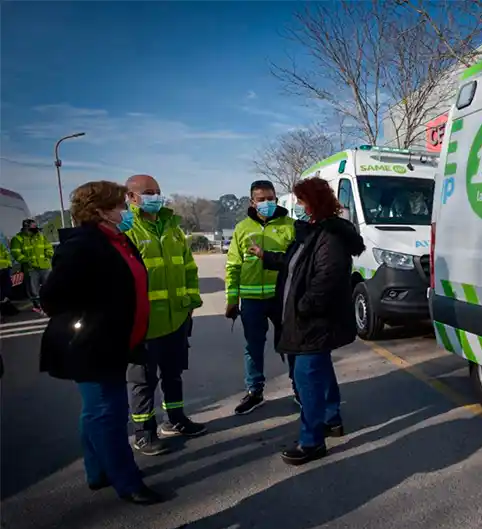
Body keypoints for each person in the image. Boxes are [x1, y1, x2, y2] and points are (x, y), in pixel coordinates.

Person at [39, 180, 162, 505]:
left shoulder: (117, 240)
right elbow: (51, 298)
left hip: (115, 342)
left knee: (96, 411)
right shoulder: (84, 245)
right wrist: (96, 312)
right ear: (101, 212)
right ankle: (127, 481)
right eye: (120, 206)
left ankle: (97, 471)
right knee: (108, 412)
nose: (126, 211)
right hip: (92, 345)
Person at [250, 176, 365, 465]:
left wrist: (303, 307)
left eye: (301, 201)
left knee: (306, 378)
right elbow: (295, 264)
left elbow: (326, 278)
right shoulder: (312, 231)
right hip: (307, 319)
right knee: (320, 371)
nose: (297, 206)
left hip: (313, 321)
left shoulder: (330, 236)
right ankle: (331, 419)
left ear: (313, 203)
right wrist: (266, 256)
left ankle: (312, 441)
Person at [124, 174, 205, 456]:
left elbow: (188, 268)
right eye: (148, 192)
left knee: (173, 374)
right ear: (131, 197)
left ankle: (176, 420)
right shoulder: (128, 230)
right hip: (145, 325)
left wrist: (191, 301)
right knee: (142, 382)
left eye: (158, 191)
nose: (156, 197)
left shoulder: (172, 228)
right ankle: (143, 433)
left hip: (177, 319)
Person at [225, 180, 297, 415]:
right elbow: (233, 266)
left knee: (293, 344)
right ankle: (255, 391)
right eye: (261, 199)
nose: (267, 203)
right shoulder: (242, 228)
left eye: (271, 198)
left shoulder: (291, 226)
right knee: (253, 347)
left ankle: (300, 389)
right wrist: (232, 299)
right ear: (252, 202)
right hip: (251, 300)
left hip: (282, 298)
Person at [10, 219, 53, 315]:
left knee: (49, 286)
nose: (35, 230)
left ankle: (50, 304)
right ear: (26, 228)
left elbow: (48, 247)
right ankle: (38, 306)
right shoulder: (18, 239)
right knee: (34, 290)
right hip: (31, 268)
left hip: (45, 266)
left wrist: (48, 254)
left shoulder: (40, 236)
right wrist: (27, 261)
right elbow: (16, 253)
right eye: (32, 228)